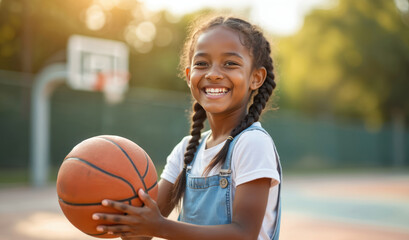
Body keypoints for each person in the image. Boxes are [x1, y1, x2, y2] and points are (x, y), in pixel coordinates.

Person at [92, 15, 283, 240]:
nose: (212, 73)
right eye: (202, 63)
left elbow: (243, 234)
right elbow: (144, 228)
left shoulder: (252, 143)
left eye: (230, 63)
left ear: (256, 77)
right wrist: (121, 216)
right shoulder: (186, 150)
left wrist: (159, 227)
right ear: (189, 75)